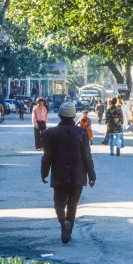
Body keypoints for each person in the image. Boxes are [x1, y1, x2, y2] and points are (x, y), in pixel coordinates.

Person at [41, 102, 96, 245]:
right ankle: (68, 229)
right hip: (78, 175)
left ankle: (63, 222)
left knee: (59, 203)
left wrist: (44, 172)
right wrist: (91, 174)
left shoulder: (49, 133)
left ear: (59, 115)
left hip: (59, 174)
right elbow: (87, 156)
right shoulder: (82, 133)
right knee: (72, 204)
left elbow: (47, 157)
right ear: (74, 116)